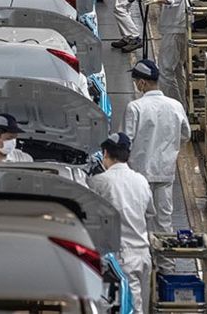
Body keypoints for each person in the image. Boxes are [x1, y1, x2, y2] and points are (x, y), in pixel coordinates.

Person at [123, 58, 190, 273]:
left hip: (140, 175)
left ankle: (142, 267)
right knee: (164, 221)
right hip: (165, 174)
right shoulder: (175, 105)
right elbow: (186, 135)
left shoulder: (135, 108)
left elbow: (125, 141)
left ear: (142, 83)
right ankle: (166, 268)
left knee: (139, 220)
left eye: (136, 81)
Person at [87, 133, 154, 314]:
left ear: (105, 153)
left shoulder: (99, 182)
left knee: (131, 308)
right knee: (141, 306)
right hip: (143, 254)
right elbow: (150, 213)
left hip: (123, 257)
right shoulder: (141, 181)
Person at [141, 0, 193, 103]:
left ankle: (173, 108)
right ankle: (181, 107)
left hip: (174, 29)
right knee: (176, 71)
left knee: (165, 72)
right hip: (176, 27)